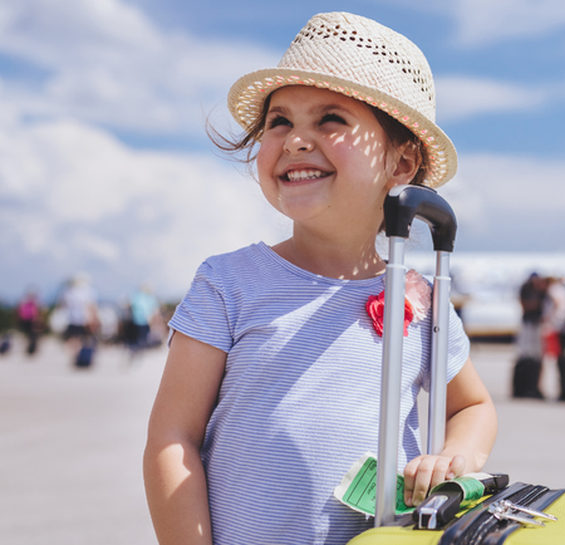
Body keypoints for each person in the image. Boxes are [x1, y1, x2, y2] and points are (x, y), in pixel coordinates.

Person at [143, 12, 497, 545]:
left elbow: (474, 405)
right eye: (278, 121)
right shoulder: (229, 282)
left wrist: (455, 456)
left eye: (330, 119)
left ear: (402, 164)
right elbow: (173, 437)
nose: (295, 140)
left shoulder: (421, 299)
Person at [60, 273, 100, 366]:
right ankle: (81, 357)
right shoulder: (88, 291)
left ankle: (76, 356)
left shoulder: (68, 292)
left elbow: (63, 306)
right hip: (84, 320)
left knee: (73, 339)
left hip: (71, 319)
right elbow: (91, 307)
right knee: (84, 339)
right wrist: (94, 319)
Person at [17, 288, 43, 356]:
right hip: (28, 320)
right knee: (30, 335)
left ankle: (30, 349)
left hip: (28, 320)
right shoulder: (30, 302)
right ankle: (29, 348)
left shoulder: (26, 302)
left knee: (30, 335)